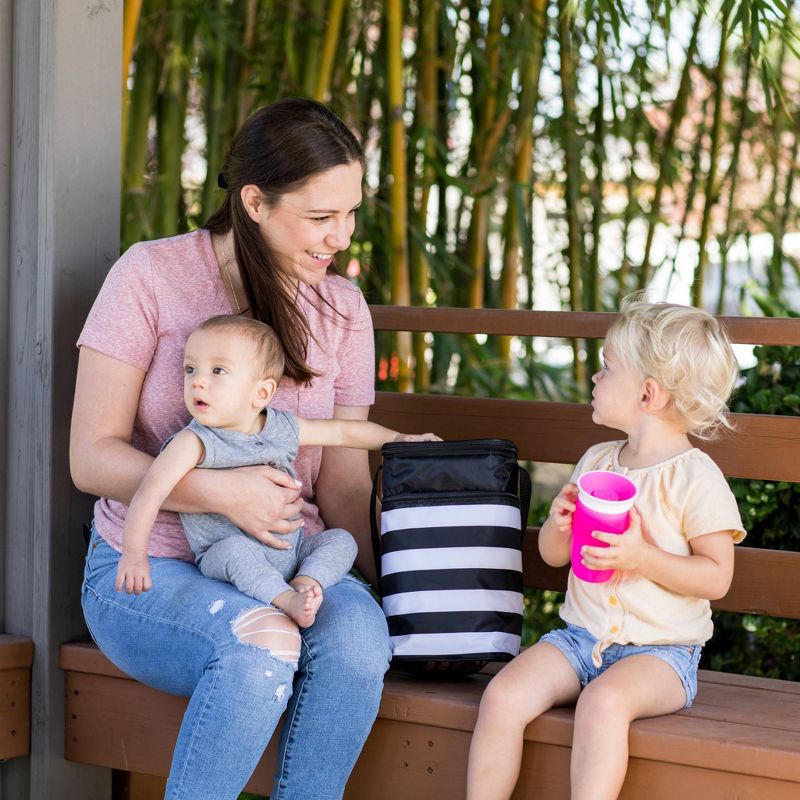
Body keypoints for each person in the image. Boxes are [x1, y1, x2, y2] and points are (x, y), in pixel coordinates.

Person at [70, 98, 396, 800]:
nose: (339, 237)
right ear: (253, 200)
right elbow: (90, 456)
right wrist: (222, 492)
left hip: (293, 557)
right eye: (319, 217)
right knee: (258, 647)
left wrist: (400, 589)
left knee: (360, 642)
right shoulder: (150, 276)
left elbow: (342, 484)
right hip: (151, 571)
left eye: (349, 214)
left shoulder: (342, 309)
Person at [466, 298, 746, 800]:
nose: (595, 379)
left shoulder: (695, 477)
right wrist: (558, 523)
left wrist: (642, 558)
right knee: (504, 694)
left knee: (602, 704)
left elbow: (716, 577)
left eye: (606, 369)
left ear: (648, 394)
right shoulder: (598, 462)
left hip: (662, 656)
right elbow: (556, 557)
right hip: (580, 640)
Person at [116, 313, 439, 629]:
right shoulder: (193, 441)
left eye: (218, 370)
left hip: (292, 551)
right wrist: (134, 555)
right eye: (190, 369)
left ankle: (306, 581)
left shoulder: (279, 427)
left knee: (341, 540)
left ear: (262, 393)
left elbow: (344, 432)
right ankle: (285, 600)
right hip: (223, 555)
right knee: (234, 551)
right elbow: (149, 494)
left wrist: (399, 439)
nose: (197, 381)